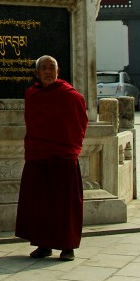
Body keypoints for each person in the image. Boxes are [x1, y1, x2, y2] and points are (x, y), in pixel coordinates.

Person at [15, 54, 89, 261]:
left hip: (63, 157)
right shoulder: (32, 95)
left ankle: (67, 246)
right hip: (38, 155)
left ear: (58, 71)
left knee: (65, 205)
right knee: (39, 203)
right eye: (44, 68)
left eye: (51, 68)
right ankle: (43, 244)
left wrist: (71, 148)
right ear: (37, 73)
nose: (48, 72)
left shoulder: (70, 96)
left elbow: (80, 123)